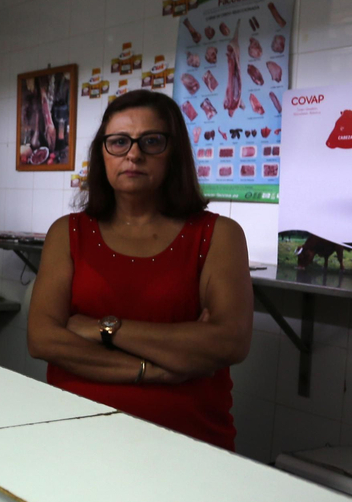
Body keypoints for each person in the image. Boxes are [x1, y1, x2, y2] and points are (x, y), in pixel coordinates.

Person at [26, 90, 253, 450]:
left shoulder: (218, 235)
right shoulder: (67, 233)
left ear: (173, 151)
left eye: (151, 141)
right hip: (74, 439)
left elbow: (229, 342)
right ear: (102, 153)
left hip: (189, 444)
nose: (133, 154)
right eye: (118, 142)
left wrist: (102, 328)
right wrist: (154, 370)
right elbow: (42, 338)